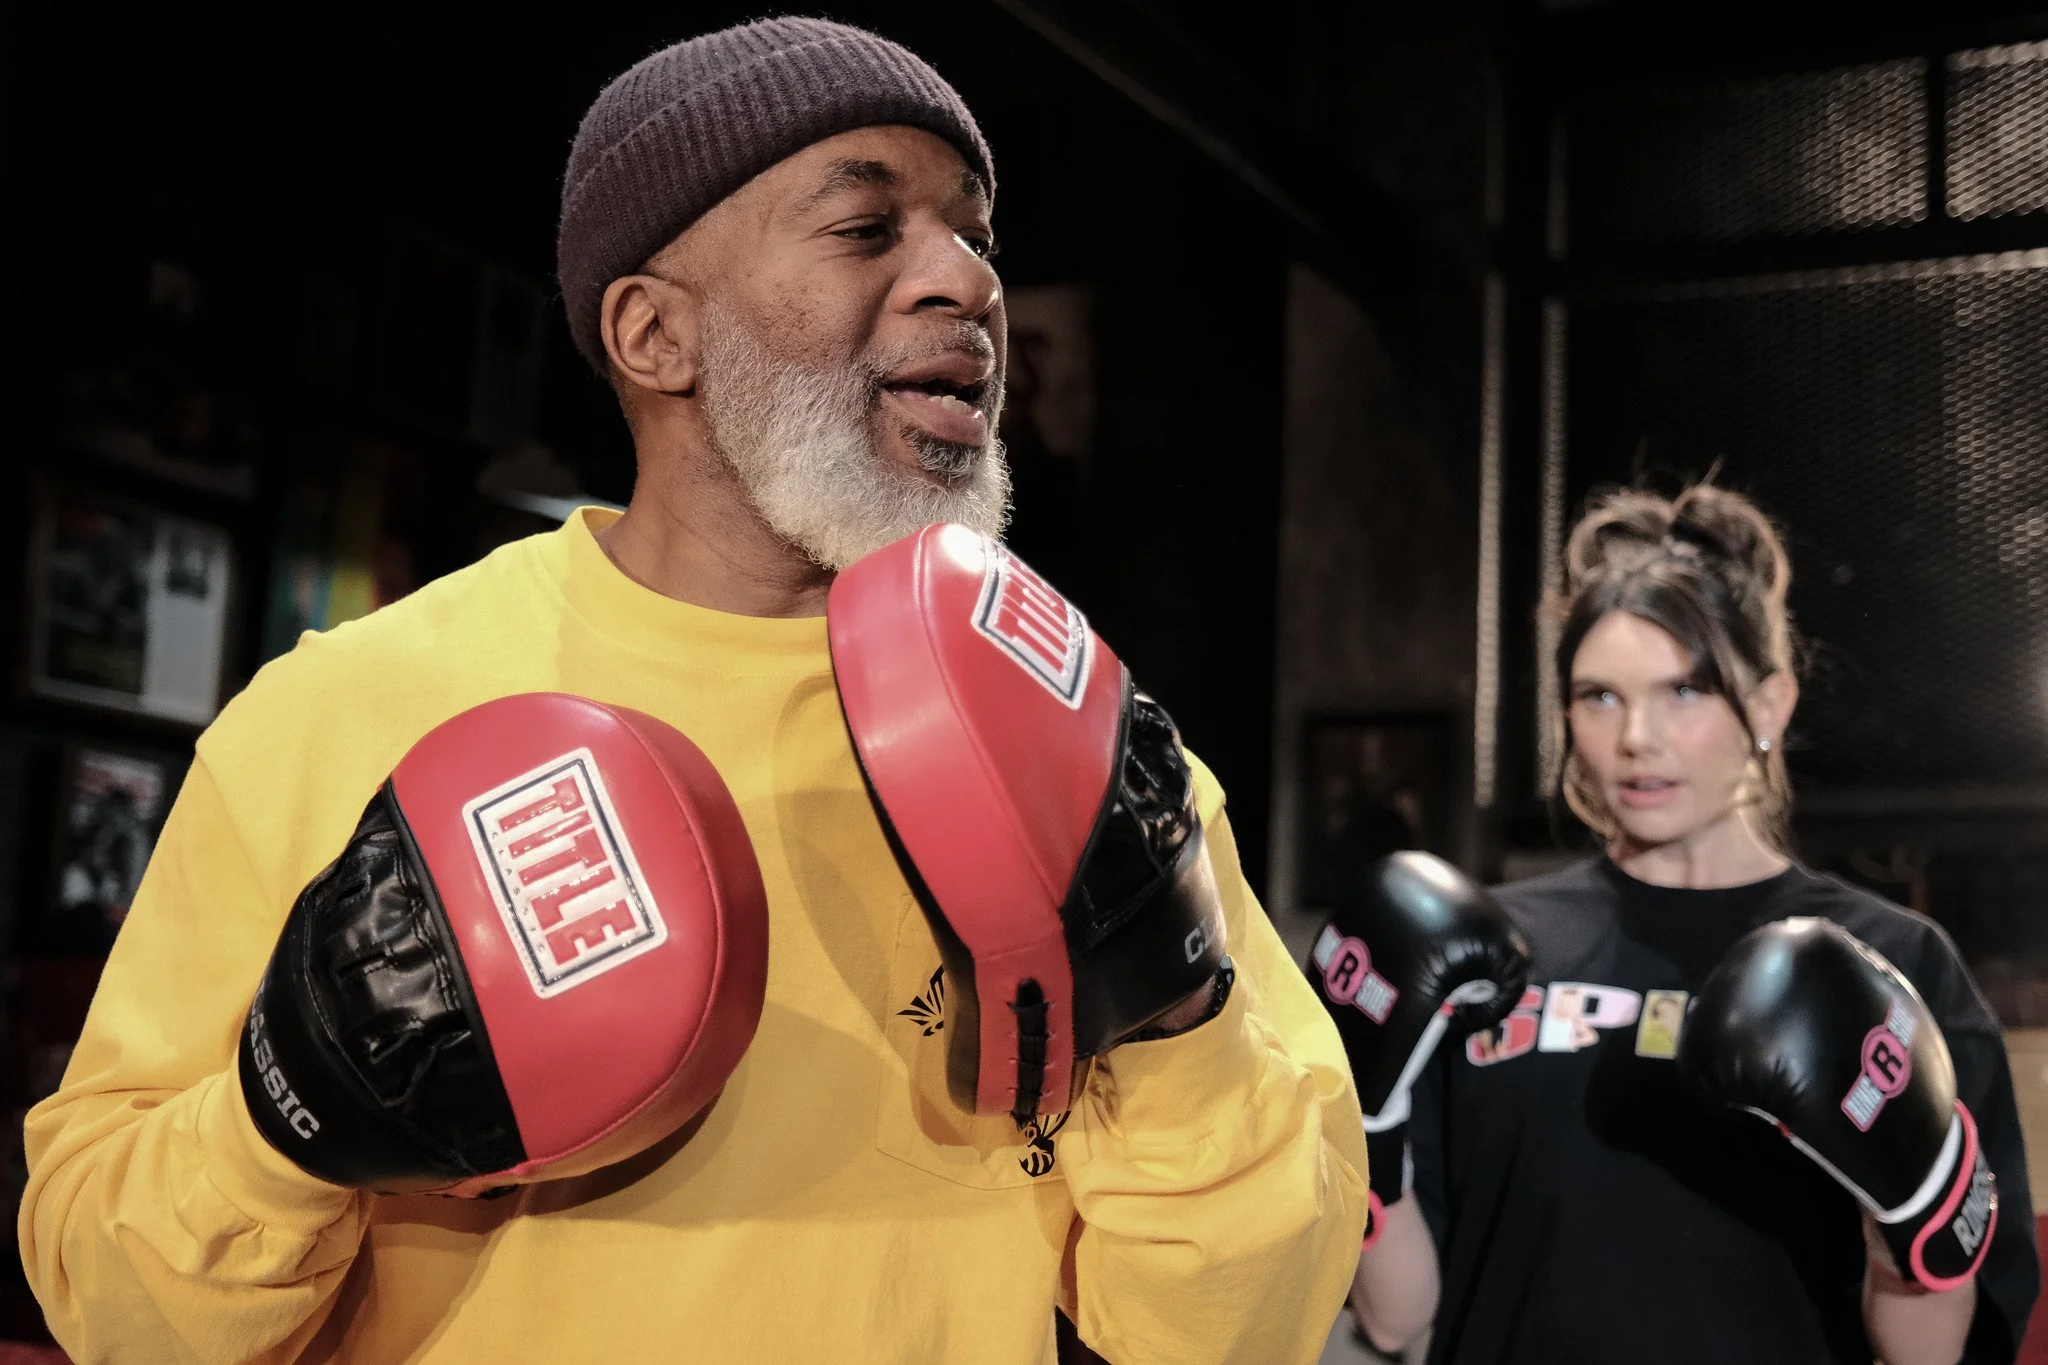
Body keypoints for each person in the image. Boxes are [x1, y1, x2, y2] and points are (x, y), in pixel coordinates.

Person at [17, 19, 1366, 1364]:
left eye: (978, 237)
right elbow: (117, 1316)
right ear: (656, 333)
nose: (966, 281)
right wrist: (293, 1110)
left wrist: (1177, 1014)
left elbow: (1246, 1335)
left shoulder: (1089, 754)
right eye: (866, 228)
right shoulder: (339, 715)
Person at [1343, 482, 2038, 1363]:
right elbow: (1398, 1317)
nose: (1637, 736)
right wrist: (1362, 1114)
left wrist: (1911, 1206)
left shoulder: (1892, 961)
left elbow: (1939, 1357)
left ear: (1772, 705)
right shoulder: (1490, 954)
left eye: (1685, 689)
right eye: (1598, 696)